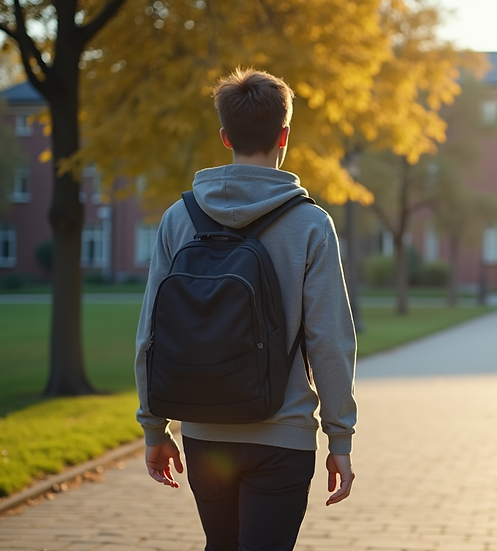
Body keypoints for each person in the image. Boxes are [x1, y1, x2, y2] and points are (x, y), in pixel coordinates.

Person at [133, 67, 357, 550]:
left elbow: (151, 331)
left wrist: (155, 428)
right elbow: (330, 341)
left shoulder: (179, 217)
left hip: (204, 433)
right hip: (283, 434)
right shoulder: (310, 224)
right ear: (284, 136)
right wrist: (340, 439)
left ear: (224, 136)